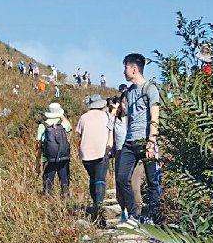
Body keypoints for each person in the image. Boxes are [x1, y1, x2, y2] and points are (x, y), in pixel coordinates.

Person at [116, 53, 162, 224]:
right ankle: (134, 216)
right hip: (129, 141)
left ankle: (152, 216)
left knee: (152, 181)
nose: (124, 71)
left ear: (133, 69)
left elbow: (155, 117)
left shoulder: (150, 88)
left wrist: (151, 141)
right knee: (121, 178)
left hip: (146, 141)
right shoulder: (129, 93)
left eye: (125, 68)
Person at [76, 94, 114, 226]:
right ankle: (98, 207)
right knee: (100, 179)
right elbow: (111, 131)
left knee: (92, 178)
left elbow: (79, 133)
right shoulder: (106, 116)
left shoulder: (83, 117)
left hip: (86, 153)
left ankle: (94, 205)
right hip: (101, 151)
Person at [110, 95, 145, 221]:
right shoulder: (116, 119)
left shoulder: (136, 119)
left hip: (135, 152)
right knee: (120, 184)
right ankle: (126, 212)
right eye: (122, 103)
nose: (123, 105)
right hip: (120, 153)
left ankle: (137, 214)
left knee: (134, 183)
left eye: (125, 102)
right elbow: (111, 132)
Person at [35, 103, 72, 197]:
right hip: (63, 157)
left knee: (48, 182)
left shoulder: (42, 126)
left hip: (48, 158)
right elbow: (69, 126)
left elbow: (39, 146)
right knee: (64, 181)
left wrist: (37, 163)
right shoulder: (64, 124)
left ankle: (48, 201)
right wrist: (61, 115)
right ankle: (65, 200)